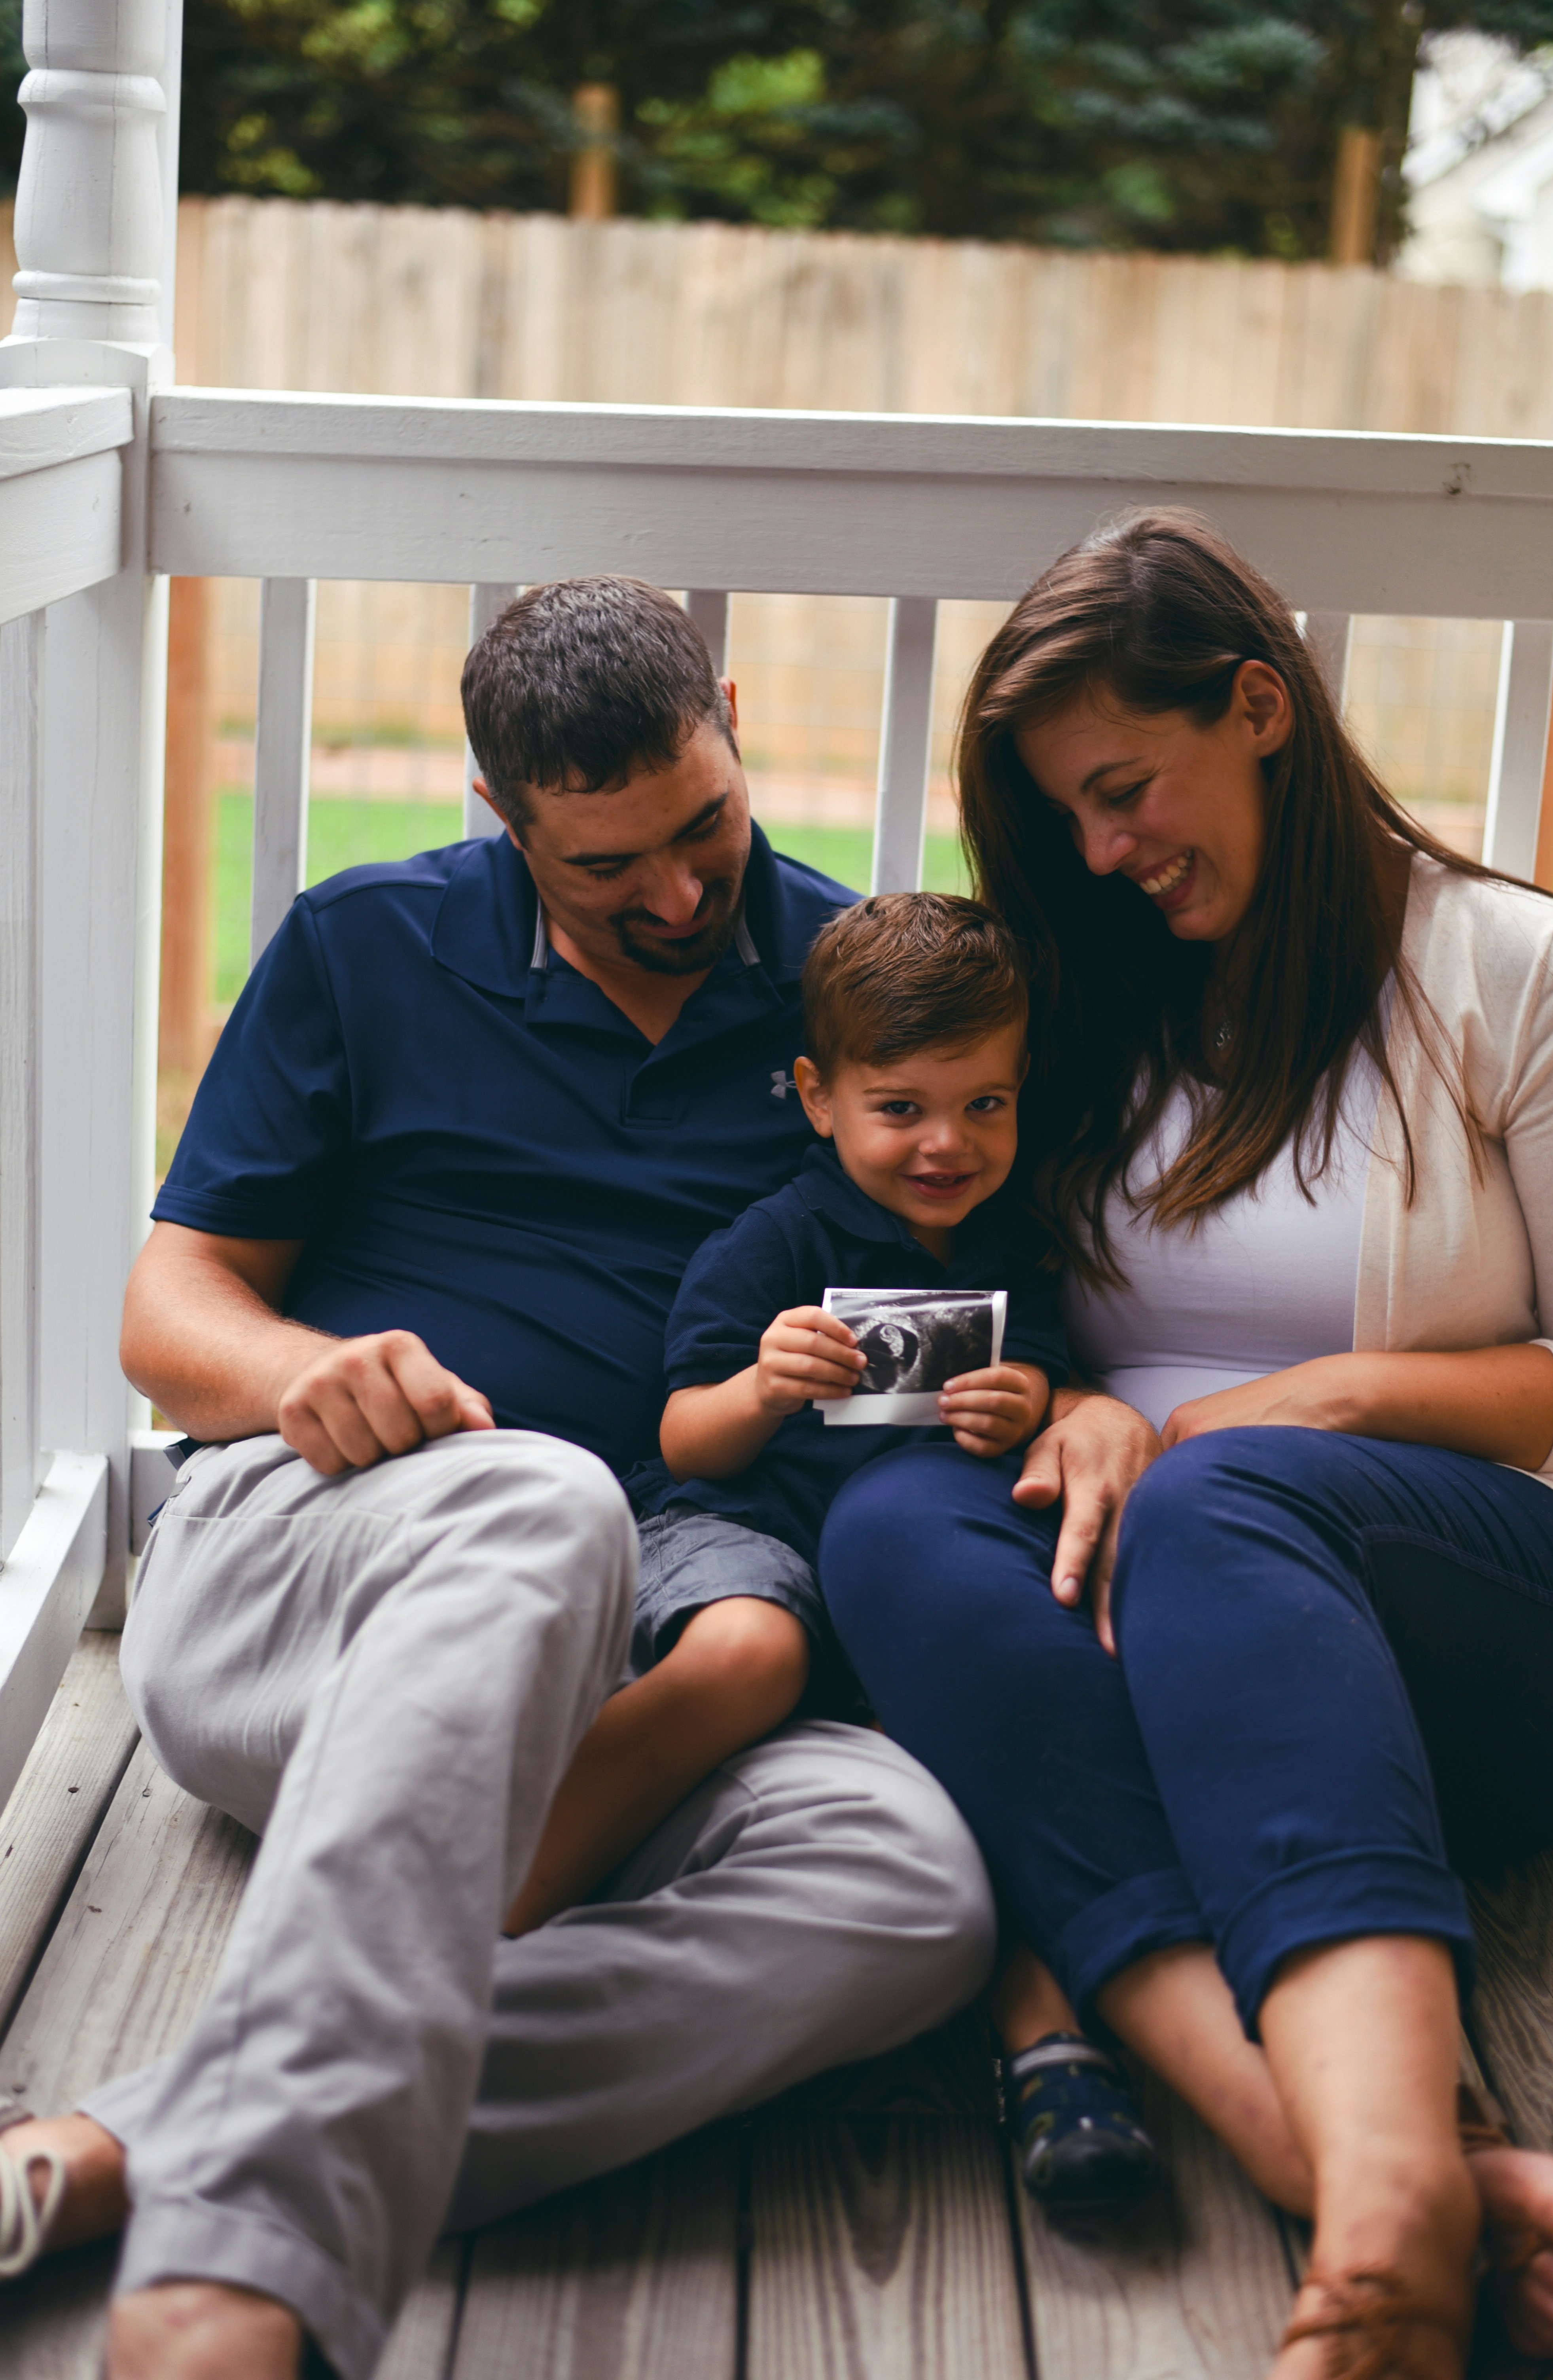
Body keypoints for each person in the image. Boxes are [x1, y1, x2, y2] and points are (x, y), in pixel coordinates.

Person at [0, 579, 998, 2380]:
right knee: (545, 1498)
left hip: (660, 1645)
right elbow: (168, 1306)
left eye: (704, 826)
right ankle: (243, 2277)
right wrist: (309, 1371)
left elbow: (970, 1299)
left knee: (910, 1883)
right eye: (608, 863)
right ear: (503, 821)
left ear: (738, 724)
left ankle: (148, 2149)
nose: (682, 894)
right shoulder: (362, 946)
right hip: (330, 1580)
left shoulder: (853, 995)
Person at [819, 510, 1553, 2378]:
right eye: (1064, 815)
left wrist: (1300, 1404)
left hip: (1463, 1618)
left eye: (1122, 788)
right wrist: (1087, 1412)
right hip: (1137, 1618)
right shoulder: (1075, 1003)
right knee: (891, 1521)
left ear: (1257, 707)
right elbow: (1039, 1323)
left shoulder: (1514, 974)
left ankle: (1387, 2224)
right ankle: (1364, 2169)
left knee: (1228, 1499)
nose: (1098, 852)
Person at [518, 889, 1157, 2209]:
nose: (946, 1143)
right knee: (748, 1649)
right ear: (818, 1097)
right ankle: (498, 1898)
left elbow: (1046, 1373)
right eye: (903, 1106)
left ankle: (1052, 2056)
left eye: (984, 1105)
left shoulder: (1015, 1249)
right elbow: (684, 1439)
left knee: (991, 1762)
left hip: (916, 1584)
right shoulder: (779, 1244)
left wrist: (1029, 1399)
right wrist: (762, 1387)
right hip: (746, 1532)